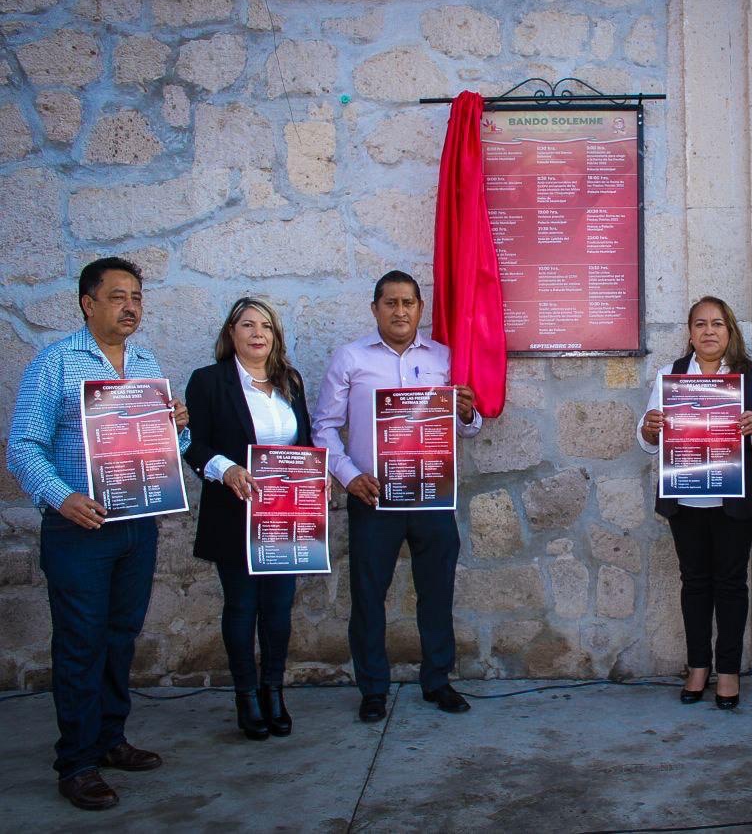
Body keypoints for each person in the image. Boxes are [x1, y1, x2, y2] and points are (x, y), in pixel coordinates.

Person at [6, 258, 190, 810]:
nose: (130, 306)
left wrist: (177, 430)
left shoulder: (146, 361)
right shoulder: (55, 363)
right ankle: (77, 762)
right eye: (117, 296)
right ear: (88, 303)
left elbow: (168, 454)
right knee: (80, 644)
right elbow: (22, 446)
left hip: (137, 525)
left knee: (118, 637)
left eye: (136, 296)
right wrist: (62, 498)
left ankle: (111, 739)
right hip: (78, 529)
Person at [312, 270, 482, 723]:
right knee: (368, 594)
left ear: (421, 309)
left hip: (432, 496)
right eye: (390, 303)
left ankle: (437, 681)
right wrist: (348, 476)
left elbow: (465, 426)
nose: (400, 311)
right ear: (375, 309)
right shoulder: (350, 358)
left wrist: (467, 413)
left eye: (408, 302)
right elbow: (323, 427)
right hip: (373, 498)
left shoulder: (445, 358)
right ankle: (372, 687)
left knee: (437, 591)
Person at [637, 296, 752, 709]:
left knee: (732, 585)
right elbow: (646, 440)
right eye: (700, 324)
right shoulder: (670, 375)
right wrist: (650, 427)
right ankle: (698, 666)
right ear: (690, 332)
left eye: (717, 323)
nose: (709, 331)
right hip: (686, 498)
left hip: (734, 500)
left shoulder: (749, 378)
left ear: (729, 331)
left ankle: (729, 672)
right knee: (694, 583)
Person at [183, 298, 314, 741]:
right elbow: (191, 445)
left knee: (278, 608)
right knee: (242, 607)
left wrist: (314, 482)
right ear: (231, 333)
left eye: (267, 327)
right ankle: (245, 696)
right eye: (248, 325)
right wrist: (227, 468)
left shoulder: (289, 381)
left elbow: (307, 444)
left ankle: (273, 690)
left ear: (275, 337)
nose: (258, 333)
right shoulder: (208, 381)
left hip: (286, 514)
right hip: (233, 512)